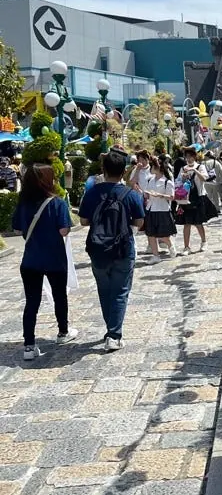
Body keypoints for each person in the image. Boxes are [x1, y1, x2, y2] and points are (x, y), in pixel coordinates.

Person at [79, 149, 144, 351]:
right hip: (124, 248)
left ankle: (111, 329)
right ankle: (114, 335)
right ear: (123, 171)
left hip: (98, 248)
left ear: (103, 170)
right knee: (120, 291)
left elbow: (83, 221)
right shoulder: (130, 194)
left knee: (104, 290)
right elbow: (139, 222)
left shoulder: (92, 193)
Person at [12, 164, 77, 361]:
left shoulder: (23, 204)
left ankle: (29, 345)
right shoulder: (57, 203)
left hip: (30, 259)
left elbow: (17, 230)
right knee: (59, 296)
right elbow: (64, 230)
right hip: (54, 258)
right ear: (48, 180)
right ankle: (63, 332)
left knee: (32, 302)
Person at [175, 146, 210, 254]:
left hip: (198, 197)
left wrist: (194, 170)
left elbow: (205, 178)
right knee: (187, 223)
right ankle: (186, 247)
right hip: (186, 198)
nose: (188, 159)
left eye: (190, 156)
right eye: (187, 157)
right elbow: (178, 182)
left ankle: (204, 242)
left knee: (198, 222)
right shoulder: (183, 168)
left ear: (194, 157)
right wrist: (183, 178)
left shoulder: (200, 167)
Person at [144, 155, 177, 263]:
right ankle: (155, 256)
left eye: (152, 167)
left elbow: (172, 197)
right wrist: (146, 194)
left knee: (162, 234)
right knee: (151, 234)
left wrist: (160, 195)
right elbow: (147, 193)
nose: (151, 169)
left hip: (162, 210)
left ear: (158, 168)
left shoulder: (167, 182)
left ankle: (170, 245)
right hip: (151, 208)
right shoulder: (150, 180)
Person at [203, 150, 222, 215]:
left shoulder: (203, 163)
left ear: (207, 156)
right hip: (216, 182)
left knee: (208, 197)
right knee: (216, 197)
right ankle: (217, 209)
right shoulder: (217, 162)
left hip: (206, 182)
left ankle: (209, 210)